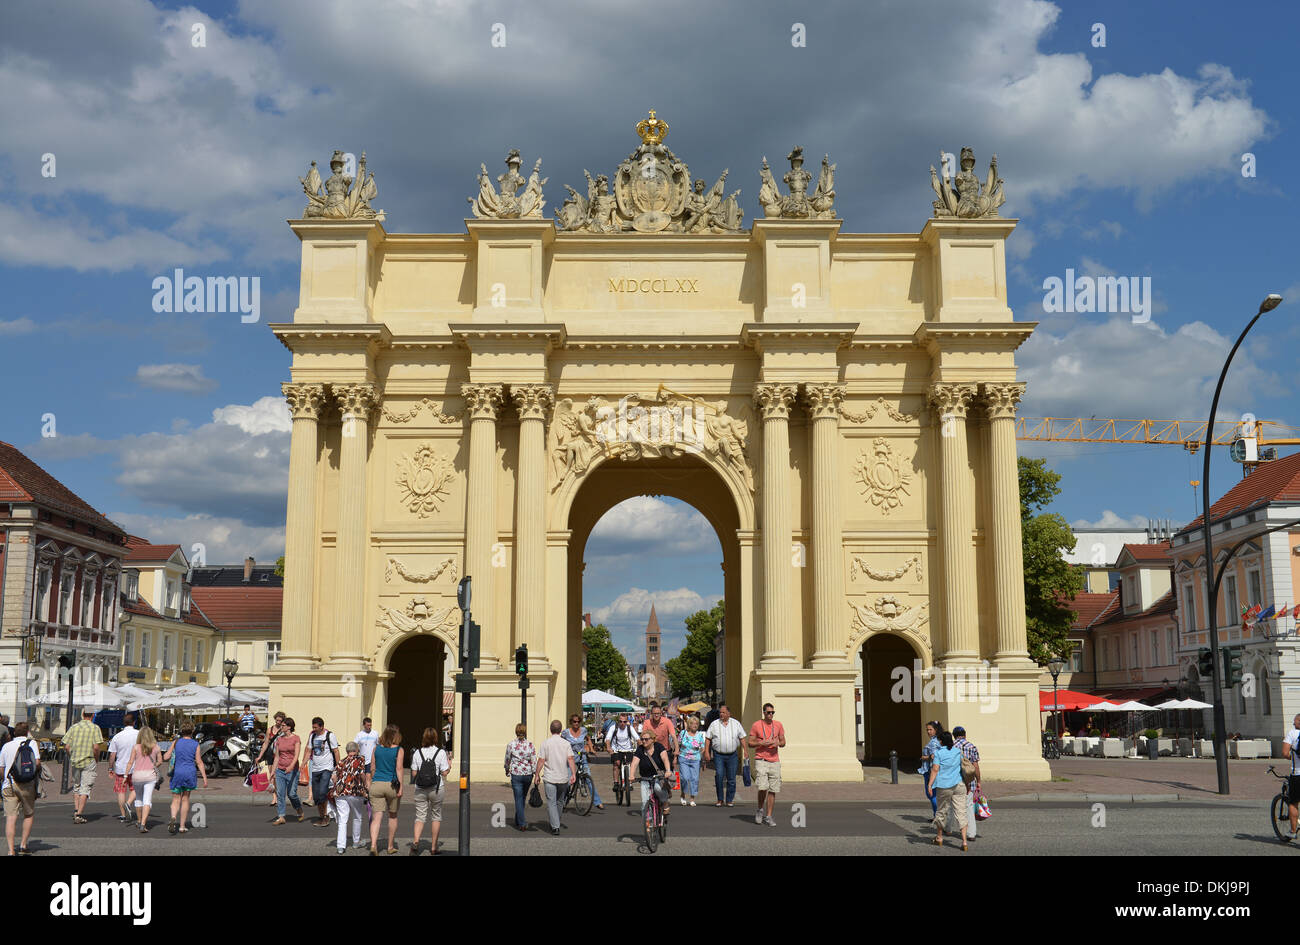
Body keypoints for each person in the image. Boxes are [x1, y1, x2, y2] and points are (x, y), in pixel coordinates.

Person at [410, 726, 451, 855]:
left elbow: (414, 772)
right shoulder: (440, 752)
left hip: (420, 789)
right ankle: (433, 847)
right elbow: (444, 773)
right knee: (436, 816)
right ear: (436, 738)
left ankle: (416, 842)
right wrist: (449, 766)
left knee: (420, 816)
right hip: (436, 788)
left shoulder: (417, 752)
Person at [2, 721, 40, 855]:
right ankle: (23, 845)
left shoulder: (6, 746)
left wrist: (5, 778)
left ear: (14, 732)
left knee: (11, 818)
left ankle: (11, 850)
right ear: (27, 732)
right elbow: (37, 762)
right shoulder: (31, 743)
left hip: (8, 784)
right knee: (28, 814)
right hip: (26, 784)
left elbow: (1, 768)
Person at [928, 730, 968, 850]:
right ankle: (964, 842)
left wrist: (930, 785)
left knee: (942, 811)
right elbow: (963, 767)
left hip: (944, 785)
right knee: (961, 812)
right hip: (959, 784)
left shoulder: (939, 753)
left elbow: (935, 770)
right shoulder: (957, 751)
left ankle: (939, 838)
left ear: (941, 741)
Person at [162, 723, 205, 834]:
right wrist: (205, 778)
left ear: (181, 731)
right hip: (190, 773)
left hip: (177, 773)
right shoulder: (195, 744)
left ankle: (173, 817)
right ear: (192, 732)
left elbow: (166, 757)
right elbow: (199, 762)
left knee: (176, 799)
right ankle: (182, 826)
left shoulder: (176, 742)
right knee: (185, 799)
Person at [64, 708, 104, 825]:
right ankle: (79, 814)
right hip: (88, 760)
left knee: (77, 786)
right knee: (85, 787)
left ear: (82, 715)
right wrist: (96, 759)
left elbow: (67, 746)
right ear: (92, 715)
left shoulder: (74, 727)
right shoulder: (95, 728)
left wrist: (71, 756)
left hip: (75, 760)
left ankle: (76, 810)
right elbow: (96, 747)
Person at [536, 720, 576, 836]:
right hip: (563, 777)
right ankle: (556, 822)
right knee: (560, 801)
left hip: (550, 777)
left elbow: (541, 760)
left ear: (550, 729)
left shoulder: (545, 743)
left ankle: (555, 826)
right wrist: (573, 774)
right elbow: (570, 759)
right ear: (560, 730)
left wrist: (537, 774)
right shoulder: (566, 743)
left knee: (551, 802)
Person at [748, 703, 785, 827]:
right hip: (761, 759)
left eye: (772, 712)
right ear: (764, 713)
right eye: (768, 712)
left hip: (774, 760)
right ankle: (760, 810)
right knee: (762, 787)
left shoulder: (778, 725)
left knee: (773, 789)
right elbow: (750, 743)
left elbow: (784, 741)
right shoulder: (757, 725)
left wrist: (778, 743)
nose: (771, 715)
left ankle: (768, 816)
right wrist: (762, 743)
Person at [368, 723, 404, 854]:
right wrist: (401, 788)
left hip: (377, 784)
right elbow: (399, 769)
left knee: (376, 817)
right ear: (396, 735)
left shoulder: (376, 749)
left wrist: (373, 780)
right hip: (391, 785)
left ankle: (373, 845)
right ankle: (390, 847)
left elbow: (372, 767)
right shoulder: (399, 749)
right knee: (393, 816)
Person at [704, 703, 747, 807]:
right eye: (720, 712)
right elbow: (708, 738)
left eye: (723, 712)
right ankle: (719, 799)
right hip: (718, 755)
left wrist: (745, 751)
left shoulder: (736, 723)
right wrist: (706, 752)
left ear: (729, 713)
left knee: (731, 778)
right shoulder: (714, 724)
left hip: (732, 755)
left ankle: (729, 799)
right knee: (719, 775)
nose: (721, 714)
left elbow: (742, 737)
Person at [330, 741, 368, 854]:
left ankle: (340, 846)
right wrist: (365, 784)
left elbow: (333, 777)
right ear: (357, 750)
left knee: (342, 820)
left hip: (340, 792)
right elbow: (361, 774)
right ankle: (356, 842)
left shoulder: (341, 761)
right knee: (357, 816)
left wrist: (338, 785)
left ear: (347, 751)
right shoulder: (360, 759)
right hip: (355, 792)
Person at [560, 713, 604, 810]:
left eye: (578, 721)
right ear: (571, 722)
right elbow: (561, 742)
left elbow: (588, 739)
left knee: (588, 778)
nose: (576, 723)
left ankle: (597, 802)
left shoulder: (583, 730)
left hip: (581, 756)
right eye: (574, 722)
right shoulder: (566, 732)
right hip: (570, 757)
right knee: (567, 781)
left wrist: (591, 748)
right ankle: (562, 800)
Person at [305, 717, 340, 827]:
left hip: (327, 768)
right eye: (313, 727)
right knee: (316, 797)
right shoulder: (313, 736)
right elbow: (308, 750)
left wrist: (338, 767)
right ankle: (322, 816)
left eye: (316, 727)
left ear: (321, 726)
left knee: (322, 792)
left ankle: (325, 817)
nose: (314, 729)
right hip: (315, 768)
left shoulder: (330, 735)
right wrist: (303, 763)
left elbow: (336, 751)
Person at [127, 727, 162, 833]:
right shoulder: (156, 747)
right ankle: (143, 824)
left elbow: (130, 762)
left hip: (137, 776)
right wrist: (153, 764)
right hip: (150, 776)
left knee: (138, 799)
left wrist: (125, 775)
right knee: (147, 800)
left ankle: (138, 820)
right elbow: (160, 761)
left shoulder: (136, 747)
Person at [107, 712, 140, 824]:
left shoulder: (117, 736)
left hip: (121, 767)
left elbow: (112, 755)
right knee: (135, 788)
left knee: (121, 791)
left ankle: (123, 814)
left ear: (123, 723)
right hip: (136, 766)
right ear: (134, 722)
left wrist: (110, 768)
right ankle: (129, 803)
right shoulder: (139, 734)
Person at [271, 717, 304, 825]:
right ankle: (281, 816)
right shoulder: (279, 739)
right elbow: (276, 757)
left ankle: (298, 808)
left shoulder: (296, 738)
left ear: (289, 727)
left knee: (291, 794)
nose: (281, 726)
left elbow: (296, 755)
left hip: (292, 770)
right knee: (280, 793)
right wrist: (273, 771)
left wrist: (291, 766)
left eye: (283, 725)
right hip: (280, 770)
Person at [504, 724, 537, 832]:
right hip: (527, 774)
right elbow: (533, 760)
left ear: (516, 732)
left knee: (519, 799)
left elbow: (507, 759)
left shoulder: (511, 745)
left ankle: (522, 823)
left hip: (516, 774)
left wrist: (507, 769)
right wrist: (535, 773)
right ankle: (518, 819)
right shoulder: (530, 745)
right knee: (522, 798)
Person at [632, 727, 672, 813]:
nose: (643, 741)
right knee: (644, 802)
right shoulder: (640, 749)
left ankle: (665, 802)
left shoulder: (659, 747)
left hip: (659, 776)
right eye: (642, 739)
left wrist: (668, 770)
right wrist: (631, 775)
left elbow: (665, 758)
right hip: (645, 777)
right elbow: (635, 762)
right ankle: (648, 822)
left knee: (658, 788)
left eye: (646, 739)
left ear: (653, 739)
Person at [952, 726, 982, 841]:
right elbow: (975, 766)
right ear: (965, 735)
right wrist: (978, 781)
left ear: (954, 735)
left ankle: (948, 828)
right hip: (969, 781)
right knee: (969, 806)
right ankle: (971, 834)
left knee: (952, 806)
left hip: (955, 780)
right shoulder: (971, 746)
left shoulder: (951, 747)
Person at [256, 711, 287, 806]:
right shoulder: (270, 730)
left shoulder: (284, 730)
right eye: (277, 720)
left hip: (279, 755)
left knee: (277, 776)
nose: (278, 722)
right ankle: (275, 797)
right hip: (270, 754)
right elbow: (265, 743)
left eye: (280, 720)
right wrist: (260, 756)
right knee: (271, 776)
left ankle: (280, 796)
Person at [606, 714, 639, 797]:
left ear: (627, 722)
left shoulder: (629, 728)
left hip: (628, 749)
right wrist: (608, 748)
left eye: (624, 721)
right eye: (620, 721)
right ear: (618, 721)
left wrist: (641, 746)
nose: (622, 723)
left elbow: (637, 738)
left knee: (631, 764)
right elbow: (608, 739)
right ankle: (616, 783)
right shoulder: (613, 728)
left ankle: (630, 783)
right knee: (616, 764)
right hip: (616, 749)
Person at [677, 715, 705, 806]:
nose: (695, 725)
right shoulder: (683, 733)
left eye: (696, 723)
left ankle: (692, 798)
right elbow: (677, 744)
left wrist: (700, 754)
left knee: (694, 779)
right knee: (684, 778)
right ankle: (683, 794)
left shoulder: (699, 735)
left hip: (695, 759)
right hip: (683, 758)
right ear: (689, 724)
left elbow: (703, 747)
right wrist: (675, 755)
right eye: (693, 723)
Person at [919, 720, 943, 816]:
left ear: (936, 730)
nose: (928, 732)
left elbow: (934, 756)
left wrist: (924, 757)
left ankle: (938, 816)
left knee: (931, 794)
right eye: (927, 730)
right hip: (936, 769)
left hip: (930, 770)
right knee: (935, 794)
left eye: (930, 729)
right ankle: (936, 815)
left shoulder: (933, 742)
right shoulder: (939, 740)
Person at [1282, 713, 1300, 839]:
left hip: (1297, 774)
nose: (1294, 724)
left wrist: (1293, 757)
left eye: (1295, 721)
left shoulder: (1292, 733)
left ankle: (1293, 832)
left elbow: (1284, 753)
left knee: (1293, 803)